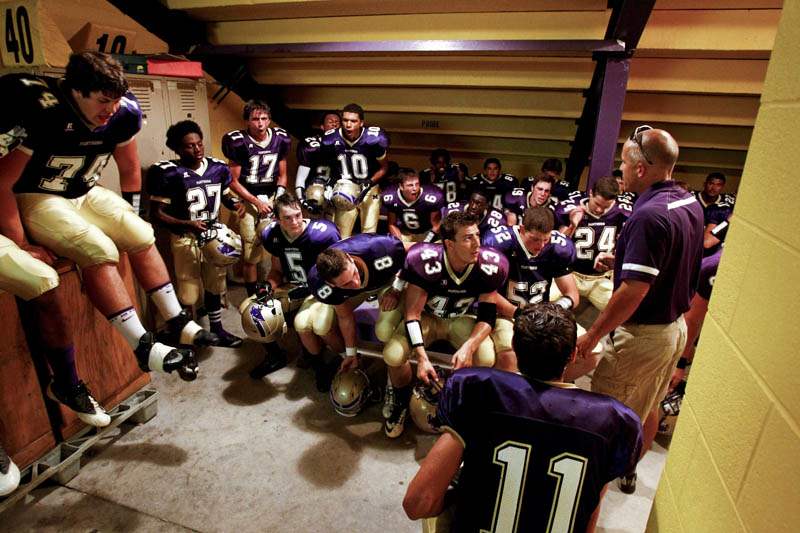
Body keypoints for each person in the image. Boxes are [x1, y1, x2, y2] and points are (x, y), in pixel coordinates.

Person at [0, 51, 210, 381]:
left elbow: (129, 169)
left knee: (140, 232)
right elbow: (3, 182)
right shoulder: (46, 111)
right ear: (76, 91)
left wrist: (133, 211)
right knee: (99, 249)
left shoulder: (122, 113)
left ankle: (177, 319)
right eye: (102, 100)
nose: (111, 109)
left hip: (84, 190)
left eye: (116, 99)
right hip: (40, 195)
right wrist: (21, 242)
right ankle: (141, 345)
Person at [403, 304, 643, 533]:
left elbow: (418, 504)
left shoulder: (479, 391)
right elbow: (589, 508)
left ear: (515, 347)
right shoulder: (612, 421)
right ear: (572, 357)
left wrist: (455, 502)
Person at [574, 125, 704, 493]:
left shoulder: (647, 216)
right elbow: (675, 256)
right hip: (673, 328)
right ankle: (630, 465)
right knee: (648, 404)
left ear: (642, 169)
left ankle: (591, 489)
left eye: (624, 164)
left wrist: (593, 334)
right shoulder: (686, 201)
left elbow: (634, 291)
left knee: (603, 418)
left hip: (643, 334)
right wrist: (624, 259)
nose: (621, 171)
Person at [381, 211, 510, 438]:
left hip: (460, 318)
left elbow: (487, 316)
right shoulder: (425, 260)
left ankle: (464, 405)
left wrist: (469, 346)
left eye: (478, 235)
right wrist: (422, 357)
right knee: (393, 354)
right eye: (468, 238)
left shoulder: (490, 264)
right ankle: (400, 398)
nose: (477, 243)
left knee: (486, 357)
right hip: (428, 318)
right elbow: (412, 314)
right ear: (449, 243)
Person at [146, 120, 243, 347]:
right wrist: (187, 223)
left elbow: (225, 195)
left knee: (215, 286)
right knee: (188, 293)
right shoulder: (168, 172)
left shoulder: (217, 168)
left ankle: (217, 330)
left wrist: (234, 204)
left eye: (199, 144)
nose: (197, 149)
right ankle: (187, 332)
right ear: (177, 149)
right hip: (184, 238)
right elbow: (156, 214)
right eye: (190, 146)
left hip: (213, 236)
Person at [249, 193, 342, 386]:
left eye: (298, 215)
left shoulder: (323, 232)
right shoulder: (272, 234)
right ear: (276, 219)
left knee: (303, 323)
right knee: (252, 311)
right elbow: (276, 270)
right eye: (288, 218)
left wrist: (312, 288)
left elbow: (335, 273)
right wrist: (268, 286)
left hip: (320, 289)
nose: (295, 221)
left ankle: (320, 364)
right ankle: (276, 356)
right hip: (292, 286)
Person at [307, 233, 407, 387]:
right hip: (353, 295)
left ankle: (394, 381)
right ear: (330, 284)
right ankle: (346, 359)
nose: (355, 282)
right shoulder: (320, 284)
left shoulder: (381, 247)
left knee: (384, 330)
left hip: (386, 283)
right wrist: (351, 353)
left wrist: (397, 289)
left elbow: (414, 254)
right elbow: (345, 316)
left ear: (349, 258)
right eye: (346, 283)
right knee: (321, 326)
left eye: (353, 273)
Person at [222, 100, 291, 297]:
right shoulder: (238, 142)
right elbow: (232, 181)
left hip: (272, 197)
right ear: (246, 121)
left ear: (269, 120)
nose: (260, 123)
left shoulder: (280, 139)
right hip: (250, 198)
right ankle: (252, 295)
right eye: (255, 119)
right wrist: (256, 202)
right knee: (251, 250)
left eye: (264, 118)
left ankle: (275, 284)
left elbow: (282, 174)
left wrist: (277, 198)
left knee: (280, 243)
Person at [552, 175, 631, 310]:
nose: (600, 210)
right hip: (570, 275)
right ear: (590, 194)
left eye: (606, 206)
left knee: (621, 310)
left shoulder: (623, 213)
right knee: (545, 305)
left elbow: (629, 248)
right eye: (597, 204)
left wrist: (614, 259)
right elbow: (556, 247)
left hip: (601, 278)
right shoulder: (570, 208)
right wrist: (572, 225)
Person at [319, 103, 390, 238]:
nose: (348, 124)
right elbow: (328, 166)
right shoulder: (330, 139)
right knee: (341, 236)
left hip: (369, 189)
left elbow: (384, 167)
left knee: (368, 235)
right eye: (345, 120)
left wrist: (369, 182)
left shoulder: (374, 139)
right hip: (345, 189)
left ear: (361, 123)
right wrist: (328, 184)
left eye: (353, 121)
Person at [294, 111, 340, 216]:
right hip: (313, 192)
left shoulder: (344, 146)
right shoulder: (311, 144)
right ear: (322, 127)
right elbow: (301, 177)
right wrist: (301, 199)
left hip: (334, 192)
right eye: (330, 121)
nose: (334, 124)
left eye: (337, 122)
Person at [382, 168, 443, 243]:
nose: (415, 188)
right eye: (410, 185)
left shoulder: (432, 197)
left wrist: (425, 242)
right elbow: (392, 224)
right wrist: (399, 243)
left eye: (417, 184)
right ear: (401, 186)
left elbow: (436, 226)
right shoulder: (391, 196)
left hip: (428, 232)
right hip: (405, 233)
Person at [694, 172, 735, 256]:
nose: (713, 188)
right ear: (704, 184)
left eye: (718, 185)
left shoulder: (728, 202)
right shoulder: (691, 198)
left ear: (723, 187)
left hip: (712, 248)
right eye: (711, 183)